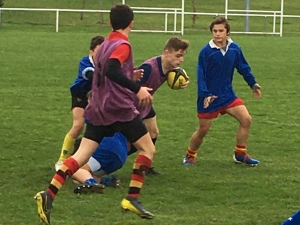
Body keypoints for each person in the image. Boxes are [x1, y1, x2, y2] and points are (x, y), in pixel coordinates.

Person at [35, 4, 155, 225]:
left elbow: (107, 71)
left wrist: (131, 75)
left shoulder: (105, 44)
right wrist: (137, 89)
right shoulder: (123, 44)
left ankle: (48, 194)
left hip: (98, 109)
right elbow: (111, 68)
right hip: (119, 109)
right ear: (131, 23)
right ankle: (132, 198)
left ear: (110, 23)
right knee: (148, 149)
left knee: (79, 157)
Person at [183, 16, 262, 166]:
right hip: (209, 97)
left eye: (221, 31)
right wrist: (205, 94)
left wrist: (253, 84)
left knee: (246, 119)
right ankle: (190, 155)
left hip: (227, 95)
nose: (217, 34)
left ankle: (240, 153)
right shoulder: (206, 52)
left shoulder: (235, 49)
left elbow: (243, 68)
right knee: (203, 130)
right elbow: (201, 76)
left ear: (227, 32)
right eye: (215, 31)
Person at [127, 37, 190, 168]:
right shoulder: (149, 68)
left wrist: (181, 82)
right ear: (167, 53)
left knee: (153, 133)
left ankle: (145, 165)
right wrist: (139, 89)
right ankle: (106, 152)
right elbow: (128, 86)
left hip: (146, 104)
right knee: (128, 142)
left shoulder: (170, 67)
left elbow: (172, 76)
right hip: (132, 106)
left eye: (182, 56)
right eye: (178, 56)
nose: (181, 60)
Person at [54, 36, 105, 171]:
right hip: (80, 94)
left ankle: (83, 154)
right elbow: (91, 76)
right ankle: (62, 159)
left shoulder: (105, 64)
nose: (101, 54)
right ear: (91, 52)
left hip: (95, 97)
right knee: (78, 125)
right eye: (98, 51)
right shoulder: (85, 62)